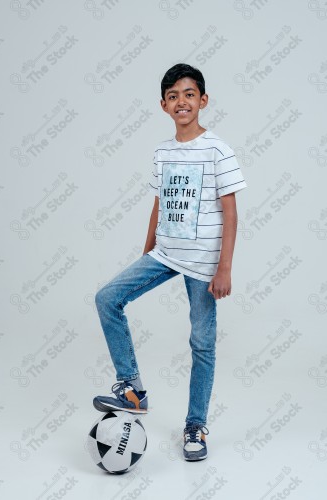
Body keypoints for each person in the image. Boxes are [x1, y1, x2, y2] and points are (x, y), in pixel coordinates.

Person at [93, 63, 248, 461]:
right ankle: (132, 388)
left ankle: (195, 425)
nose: (182, 101)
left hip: (203, 264)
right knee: (108, 298)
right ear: (164, 106)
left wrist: (224, 268)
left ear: (203, 100)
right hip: (164, 254)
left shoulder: (217, 149)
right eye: (174, 96)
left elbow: (230, 213)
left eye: (189, 94)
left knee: (202, 343)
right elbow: (158, 206)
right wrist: (147, 253)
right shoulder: (163, 152)